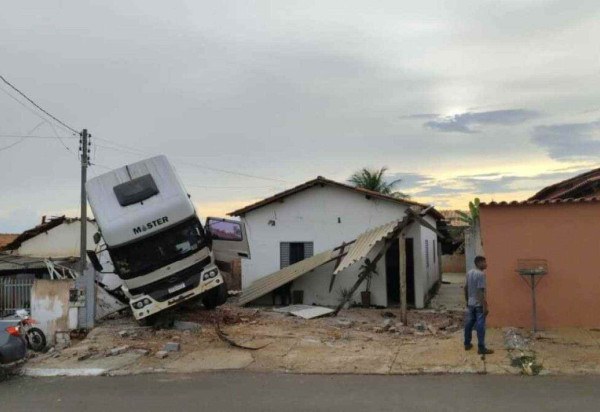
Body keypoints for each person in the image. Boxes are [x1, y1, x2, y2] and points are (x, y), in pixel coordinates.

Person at [464, 256, 494, 355]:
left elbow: (465, 287)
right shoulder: (481, 274)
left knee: (470, 322)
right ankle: (481, 347)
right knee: (480, 325)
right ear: (479, 263)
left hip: (471, 302)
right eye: (484, 262)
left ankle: (467, 343)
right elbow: (481, 292)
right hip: (478, 304)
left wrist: (467, 300)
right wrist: (485, 306)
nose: (486, 264)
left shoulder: (469, 273)